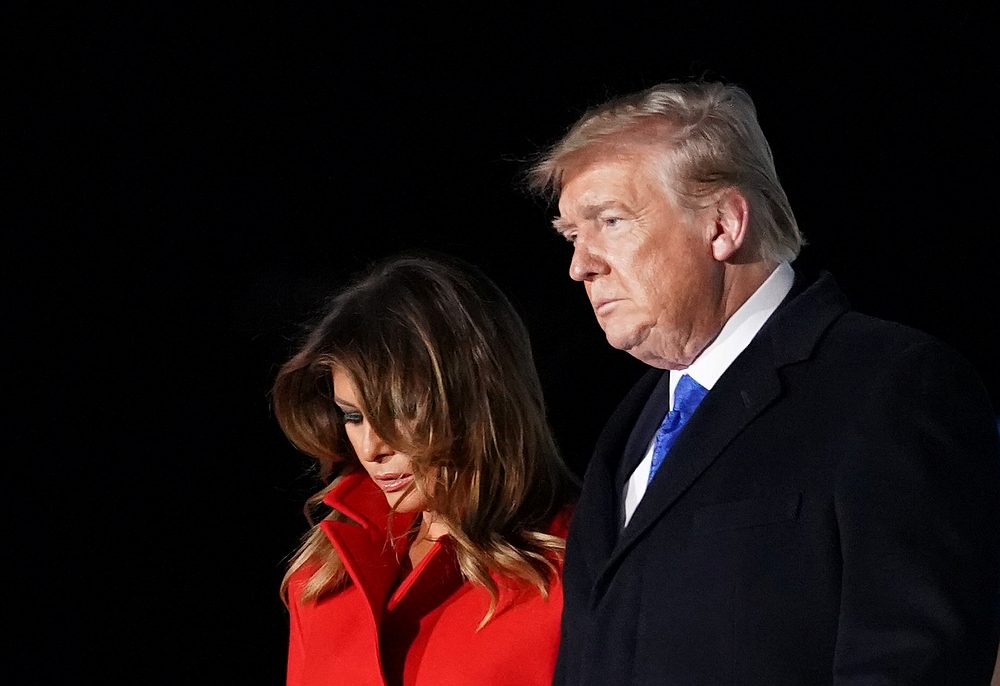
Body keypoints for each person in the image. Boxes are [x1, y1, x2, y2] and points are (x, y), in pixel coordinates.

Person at [527, 80, 1000, 684]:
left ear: (723, 224)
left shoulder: (890, 385)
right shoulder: (628, 429)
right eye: (572, 236)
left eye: (610, 221)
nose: (579, 265)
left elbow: (913, 662)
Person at [271, 252, 578, 686]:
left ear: (475, 401)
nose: (371, 447)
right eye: (352, 416)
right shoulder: (324, 574)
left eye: (398, 411)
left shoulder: (573, 567)